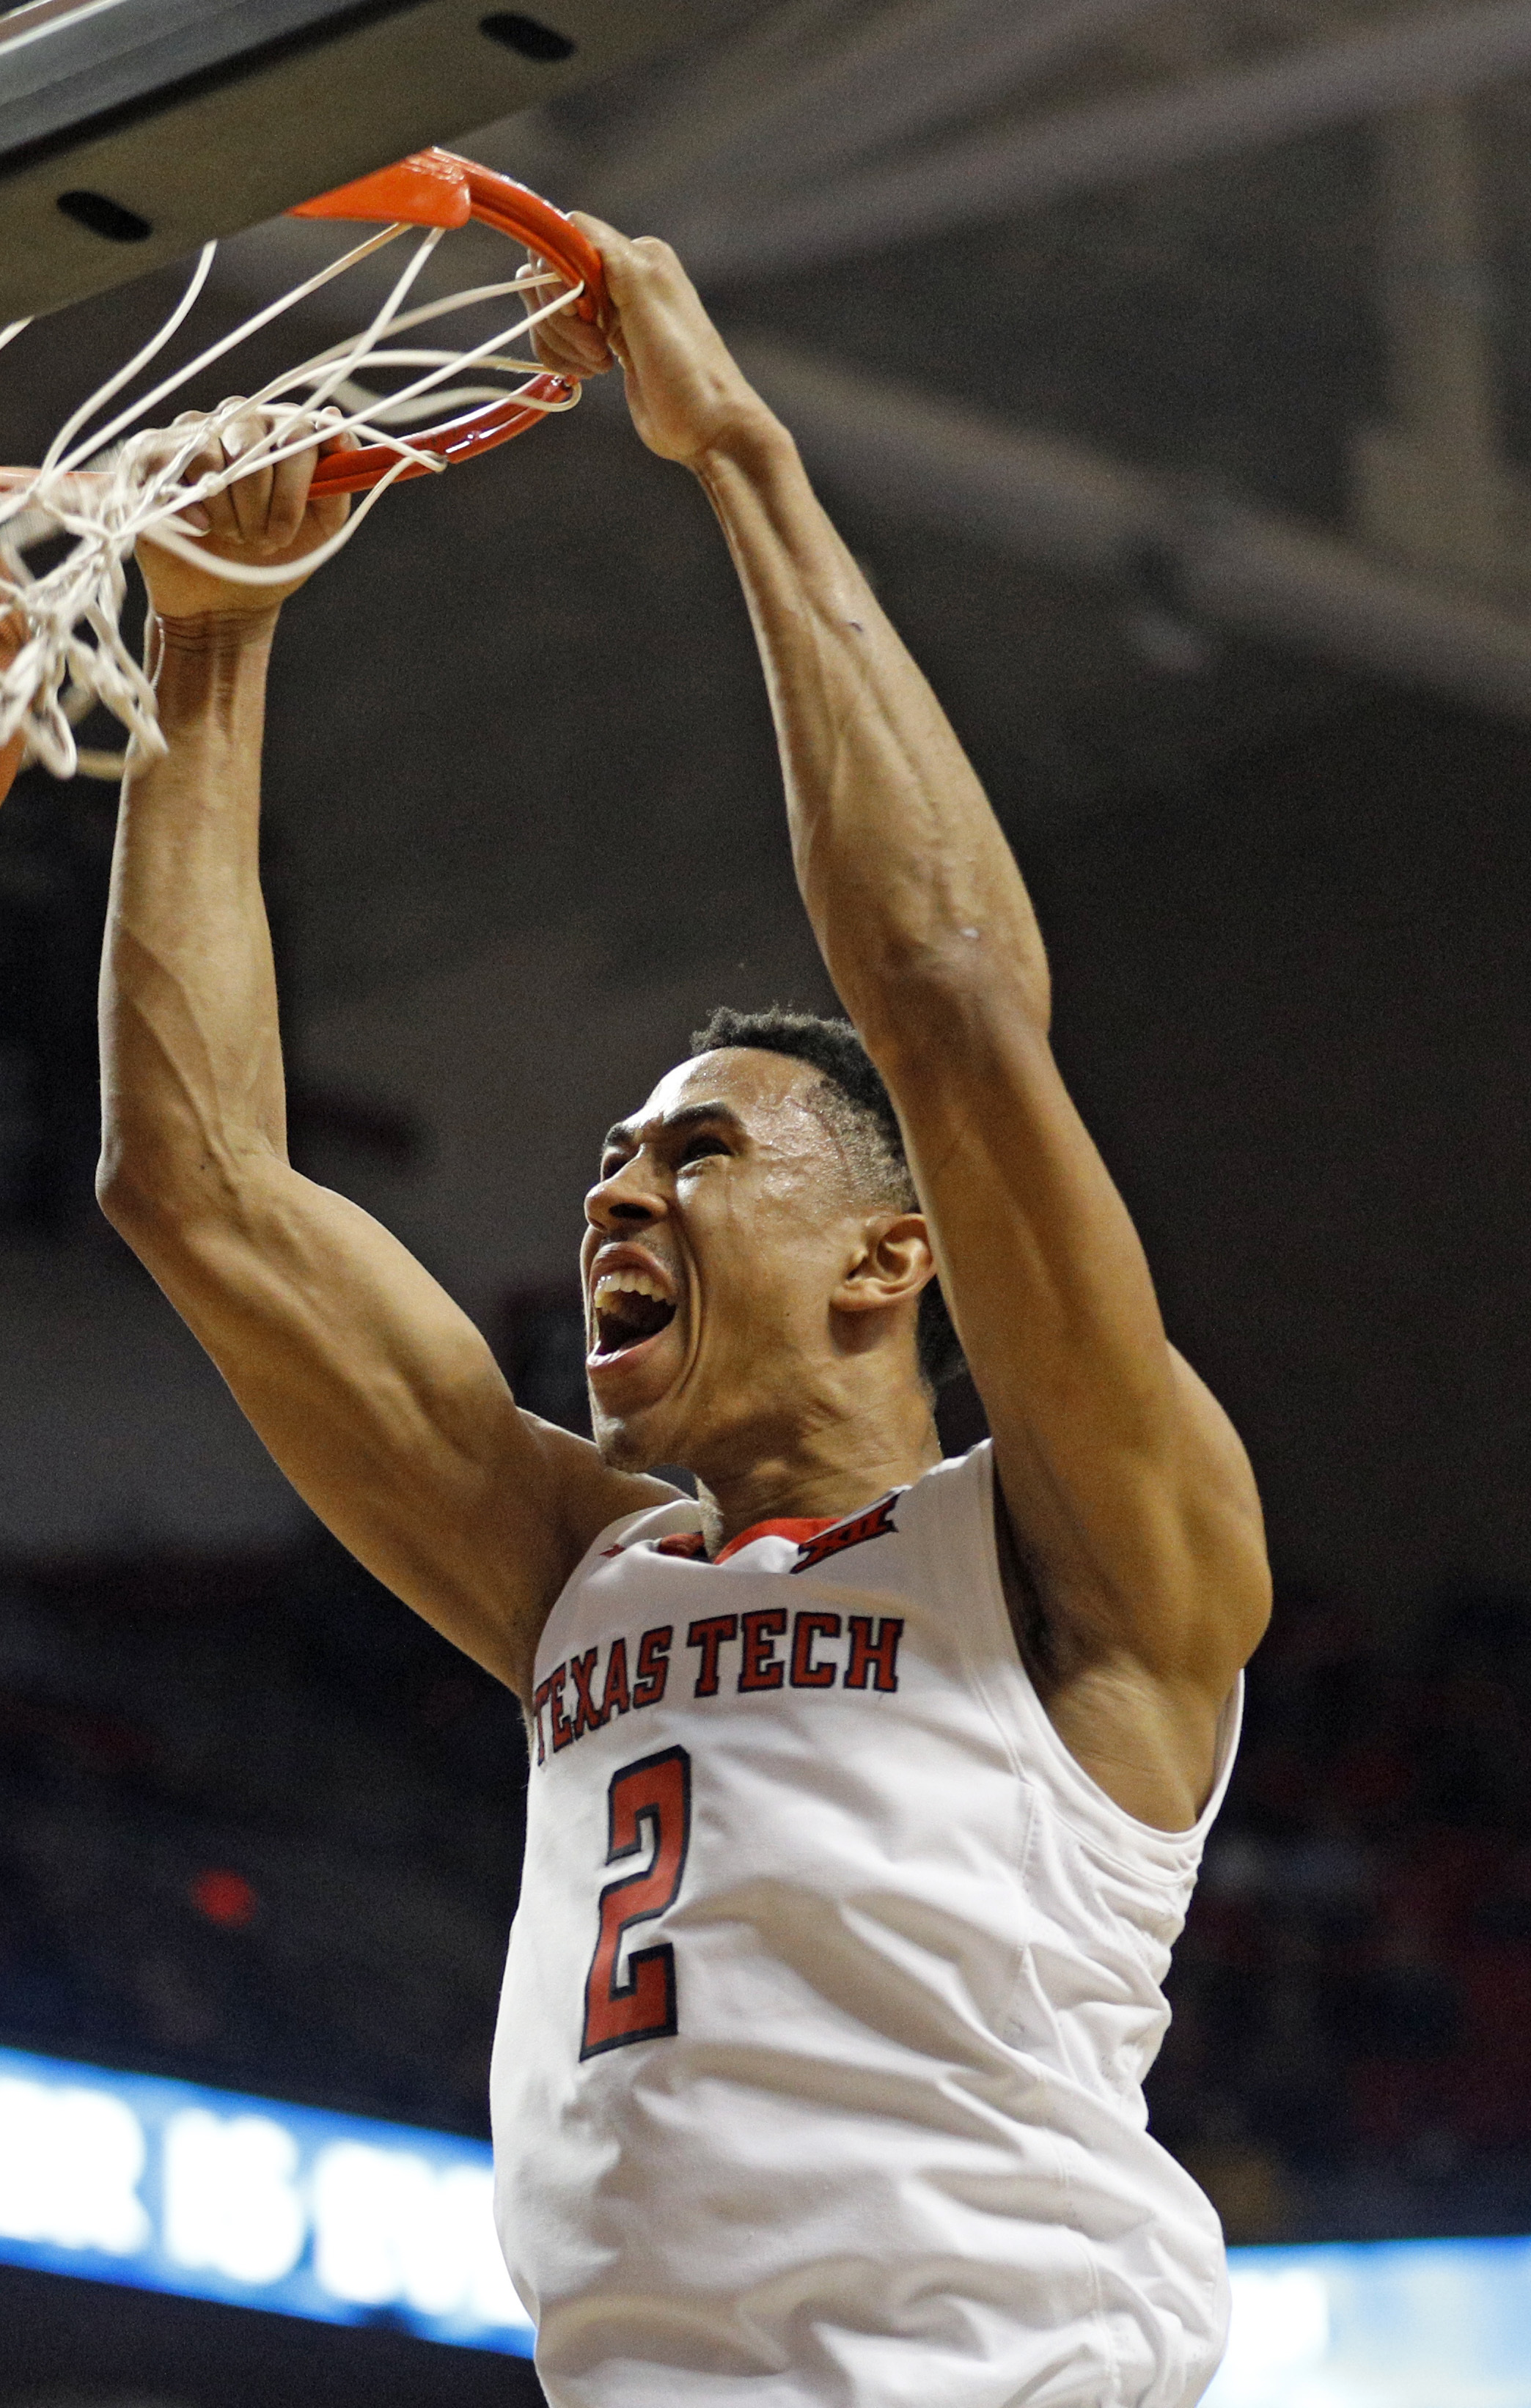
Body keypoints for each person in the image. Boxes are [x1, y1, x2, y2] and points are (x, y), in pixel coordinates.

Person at [95, 221, 1269, 2408]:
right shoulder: (581, 1572)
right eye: (615, 1159)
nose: (618, 1186)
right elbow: (199, 1187)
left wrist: (735, 452)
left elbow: (942, 999)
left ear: (888, 1257)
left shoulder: (1081, 1550)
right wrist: (209, 647)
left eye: (700, 1155)